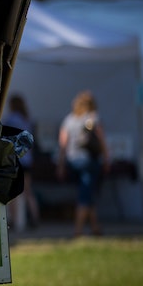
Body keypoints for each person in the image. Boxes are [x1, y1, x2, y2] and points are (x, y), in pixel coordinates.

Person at [57, 90, 110, 237]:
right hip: (88, 160)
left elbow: (63, 144)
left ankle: (95, 228)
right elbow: (101, 141)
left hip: (72, 161)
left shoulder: (69, 119)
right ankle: (78, 230)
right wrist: (106, 159)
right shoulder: (93, 118)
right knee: (85, 194)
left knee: (87, 192)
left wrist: (60, 165)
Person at [2, 93, 40, 233]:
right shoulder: (26, 119)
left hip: (16, 160)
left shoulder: (11, 119)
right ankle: (35, 217)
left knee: (13, 191)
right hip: (28, 160)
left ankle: (12, 220)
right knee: (28, 191)